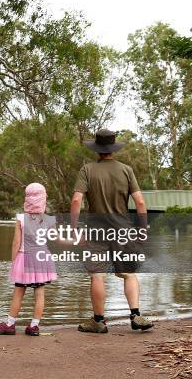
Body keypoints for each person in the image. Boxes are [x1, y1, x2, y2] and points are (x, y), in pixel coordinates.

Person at [71, 129, 154, 333]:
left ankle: (98, 321)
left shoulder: (87, 170)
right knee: (128, 274)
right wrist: (142, 229)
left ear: (97, 149)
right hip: (123, 229)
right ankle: (136, 316)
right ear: (113, 148)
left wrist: (74, 229)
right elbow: (140, 202)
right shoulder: (126, 170)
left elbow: (76, 200)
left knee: (97, 275)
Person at [0, 183, 58, 336]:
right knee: (40, 292)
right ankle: (34, 326)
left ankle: (10, 324)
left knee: (18, 292)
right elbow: (56, 240)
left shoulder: (21, 218)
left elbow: (16, 242)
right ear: (44, 199)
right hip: (41, 259)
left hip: (24, 258)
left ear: (27, 199)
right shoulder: (49, 220)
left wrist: (13, 261)